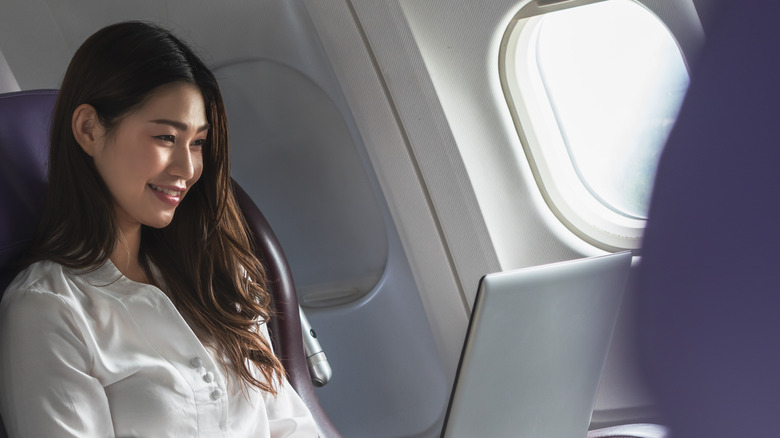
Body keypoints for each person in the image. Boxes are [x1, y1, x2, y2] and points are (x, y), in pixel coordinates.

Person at [0, 21, 317, 437]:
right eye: (166, 136)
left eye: (198, 142)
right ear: (88, 130)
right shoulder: (49, 311)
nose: (188, 169)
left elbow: (291, 426)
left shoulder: (219, 272)